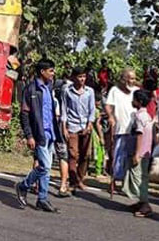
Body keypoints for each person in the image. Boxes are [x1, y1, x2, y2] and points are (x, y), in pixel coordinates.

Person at [15, 59, 59, 213]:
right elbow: (24, 115)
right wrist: (29, 136)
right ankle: (23, 186)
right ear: (43, 72)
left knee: (45, 169)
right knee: (45, 166)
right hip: (39, 135)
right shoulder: (31, 89)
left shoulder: (49, 88)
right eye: (51, 71)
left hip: (50, 134)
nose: (53, 74)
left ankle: (42, 199)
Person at [61, 66, 96, 193]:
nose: (82, 79)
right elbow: (64, 109)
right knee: (73, 154)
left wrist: (90, 124)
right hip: (72, 125)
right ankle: (73, 180)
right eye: (79, 76)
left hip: (85, 125)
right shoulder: (67, 91)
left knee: (85, 155)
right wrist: (64, 127)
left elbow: (92, 110)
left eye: (84, 77)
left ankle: (80, 179)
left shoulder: (89, 91)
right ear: (73, 77)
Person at [124, 90, 155, 217]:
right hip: (146, 152)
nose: (132, 101)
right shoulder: (147, 116)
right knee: (142, 178)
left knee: (137, 180)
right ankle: (140, 202)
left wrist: (137, 154)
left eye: (134, 99)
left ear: (139, 102)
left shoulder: (138, 117)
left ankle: (145, 205)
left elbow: (139, 135)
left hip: (140, 153)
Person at [106, 68, 139, 188]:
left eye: (134, 78)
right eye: (131, 78)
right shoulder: (115, 90)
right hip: (120, 127)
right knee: (118, 156)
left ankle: (126, 182)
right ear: (124, 78)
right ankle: (114, 180)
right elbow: (109, 105)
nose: (133, 80)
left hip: (133, 128)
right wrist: (110, 116)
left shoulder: (136, 90)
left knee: (130, 157)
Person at [53, 67, 72, 197]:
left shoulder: (52, 97)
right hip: (60, 129)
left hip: (50, 130)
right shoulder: (59, 103)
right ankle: (63, 185)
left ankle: (37, 184)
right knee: (63, 156)